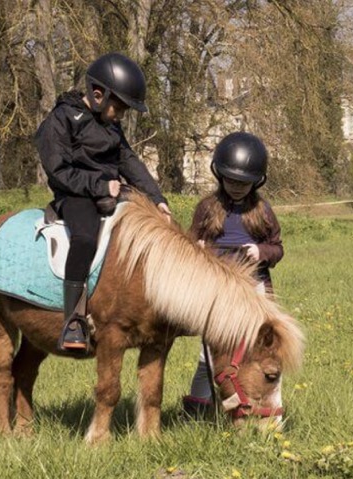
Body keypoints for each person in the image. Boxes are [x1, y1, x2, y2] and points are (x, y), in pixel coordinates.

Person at [35, 53, 171, 352]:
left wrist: (157, 200)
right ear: (98, 95)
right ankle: (73, 321)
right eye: (119, 108)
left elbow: (129, 162)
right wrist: (99, 185)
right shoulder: (60, 120)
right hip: (76, 196)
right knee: (84, 239)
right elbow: (58, 172)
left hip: (112, 194)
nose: (121, 115)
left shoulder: (111, 126)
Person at [182, 131, 284, 415]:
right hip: (219, 293)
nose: (237, 187)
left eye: (244, 183)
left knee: (266, 355)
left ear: (256, 181)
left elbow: (278, 248)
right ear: (220, 176)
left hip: (254, 290)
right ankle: (198, 408)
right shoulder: (207, 208)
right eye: (231, 180)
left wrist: (261, 252)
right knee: (210, 354)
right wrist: (198, 248)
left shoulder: (262, 211)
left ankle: (271, 407)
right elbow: (189, 245)